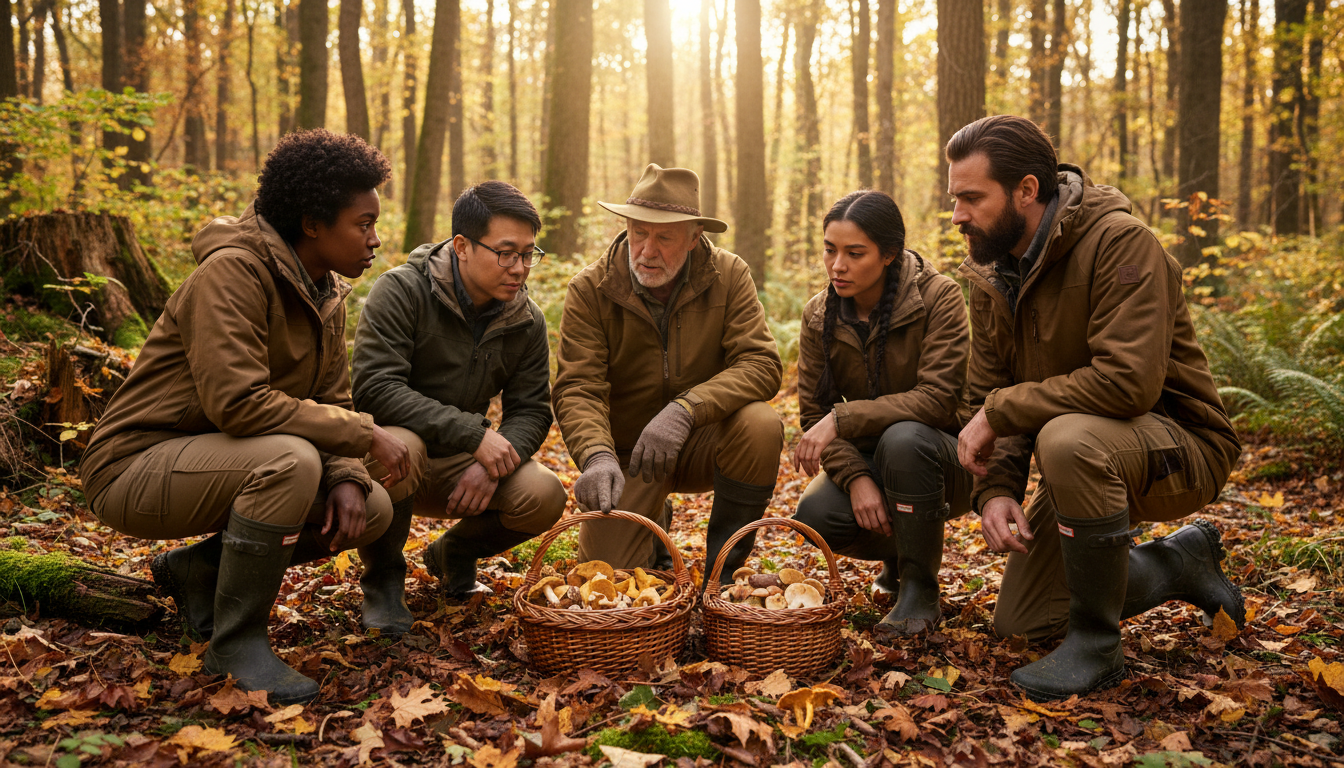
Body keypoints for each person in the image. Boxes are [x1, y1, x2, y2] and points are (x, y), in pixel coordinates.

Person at [80, 129, 412, 705]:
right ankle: (235, 644)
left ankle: (198, 574)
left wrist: (349, 476)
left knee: (372, 508)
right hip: (132, 468)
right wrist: (364, 435)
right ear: (312, 223)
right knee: (291, 460)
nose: (375, 239)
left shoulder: (325, 291)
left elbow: (333, 400)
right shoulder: (231, 272)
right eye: (363, 224)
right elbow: (237, 403)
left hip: (219, 460)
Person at [946, 115, 1244, 701]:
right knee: (1023, 623)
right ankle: (1179, 564)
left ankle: (1097, 642)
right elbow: (991, 393)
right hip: (1086, 454)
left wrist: (1002, 411)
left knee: (1065, 439)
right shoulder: (990, 273)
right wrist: (998, 488)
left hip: (1179, 446)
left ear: (1027, 191)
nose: (958, 215)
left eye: (972, 198)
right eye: (955, 198)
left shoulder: (1121, 243)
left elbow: (1127, 384)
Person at [553, 163, 783, 577]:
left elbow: (761, 363)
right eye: (639, 232)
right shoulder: (590, 289)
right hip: (627, 455)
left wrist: (685, 409)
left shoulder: (729, 276)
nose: (647, 249)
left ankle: (723, 576)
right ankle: (654, 517)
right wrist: (596, 455)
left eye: (665, 237)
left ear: (695, 237)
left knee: (760, 425)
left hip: (700, 440)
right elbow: (577, 389)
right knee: (609, 576)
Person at [351, 181, 565, 612]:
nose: (520, 267)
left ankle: (454, 555)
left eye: (528, 254)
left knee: (544, 494)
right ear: (463, 245)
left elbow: (531, 410)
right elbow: (375, 389)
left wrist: (496, 463)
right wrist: (475, 435)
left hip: (461, 464)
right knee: (402, 444)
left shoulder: (527, 319)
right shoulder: (401, 291)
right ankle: (384, 584)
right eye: (506, 253)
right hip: (388, 454)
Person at [792, 190, 972, 637]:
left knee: (905, 438)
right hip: (873, 458)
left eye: (855, 253)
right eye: (830, 250)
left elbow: (938, 398)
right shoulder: (819, 314)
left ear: (889, 254)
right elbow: (814, 412)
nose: (838, 265)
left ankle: (920, 591)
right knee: (815, 515)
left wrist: (843, 420)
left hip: (947, 459)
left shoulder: (938, 298)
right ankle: (897, 555)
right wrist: (857, 478)